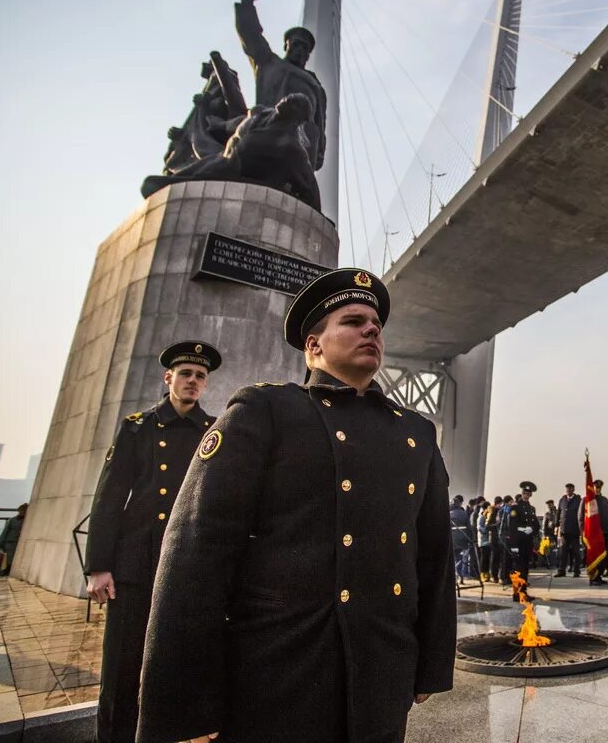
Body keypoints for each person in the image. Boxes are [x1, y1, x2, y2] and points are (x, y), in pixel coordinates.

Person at [135, 268, 455, 743]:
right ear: (314, 346)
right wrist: (184, 703)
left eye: (376, 324)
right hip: (280, 671)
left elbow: (433, 556)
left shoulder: (415, 433)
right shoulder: (266, 411)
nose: (372, 329)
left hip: (381, 671)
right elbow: (196, 553)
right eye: (352, 321)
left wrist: (429, 664)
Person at [85, 340, 220, 743]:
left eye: (199, 376)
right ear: (169, 378)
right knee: (121, 672)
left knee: (176, 668)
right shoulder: (138, 426)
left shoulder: (212, 431)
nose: (192, 381)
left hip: (184, 562)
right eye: (186, 374)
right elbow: (109, 497)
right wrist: (98, 566)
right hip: (136, 563)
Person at [234, 0, 328, 171]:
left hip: (301, 143)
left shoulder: (315, 85)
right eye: (295, 44)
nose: (300, 50)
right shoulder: (269, 62)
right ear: (286, 46)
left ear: (309, 54)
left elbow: (320, 122)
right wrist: (247, 4)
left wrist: (320, 150)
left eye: (304, 48)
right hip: (266, 128)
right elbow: (251, 37)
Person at [579, 480, 608, 585]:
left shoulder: (604, 500)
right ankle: (593, 578)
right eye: (595, 487)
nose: (597, 489)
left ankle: (599, 576)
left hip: (604, 533)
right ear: (592, 488)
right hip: (592, 535)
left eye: (599, 488)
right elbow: (580, 518)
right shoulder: (586, 500)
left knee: (604, 557)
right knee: (593, 557)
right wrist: (583, 532)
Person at [507, 481, 539, 599]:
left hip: (527, 541)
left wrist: (532, 529)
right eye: (524, 493)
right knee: (518, 568)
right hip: (519, 541)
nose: (526, 495)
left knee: (525, 567)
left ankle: (523, 592)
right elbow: (512, 527)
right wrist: (514, 545)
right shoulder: (515, 508)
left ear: (530, 495)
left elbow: (536, 525)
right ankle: (517, 593)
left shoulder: (531, 509)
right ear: (522, 493)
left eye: (528, 494)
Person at [556, 483, 583, 577]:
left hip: (575, 530)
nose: (568, 490)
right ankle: (561, 571)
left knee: (576, 552)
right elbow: (559, 513)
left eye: (570, 488)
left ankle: (576, 571)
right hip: (564, 530)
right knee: (563, 552)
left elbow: (581, 514)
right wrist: (556, 526)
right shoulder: (562, 500)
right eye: (567, 488)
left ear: (573, 489)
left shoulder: (578, 500)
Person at [0, 503, 28, 574]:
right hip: (11, 543)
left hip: (16, 544)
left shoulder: (24, 520)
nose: (22, 512)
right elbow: (5, 532)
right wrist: (0, 544)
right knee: (9, 562)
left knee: (11, 562)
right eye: (21, 511)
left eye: (24, 511)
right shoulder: (12, 520)